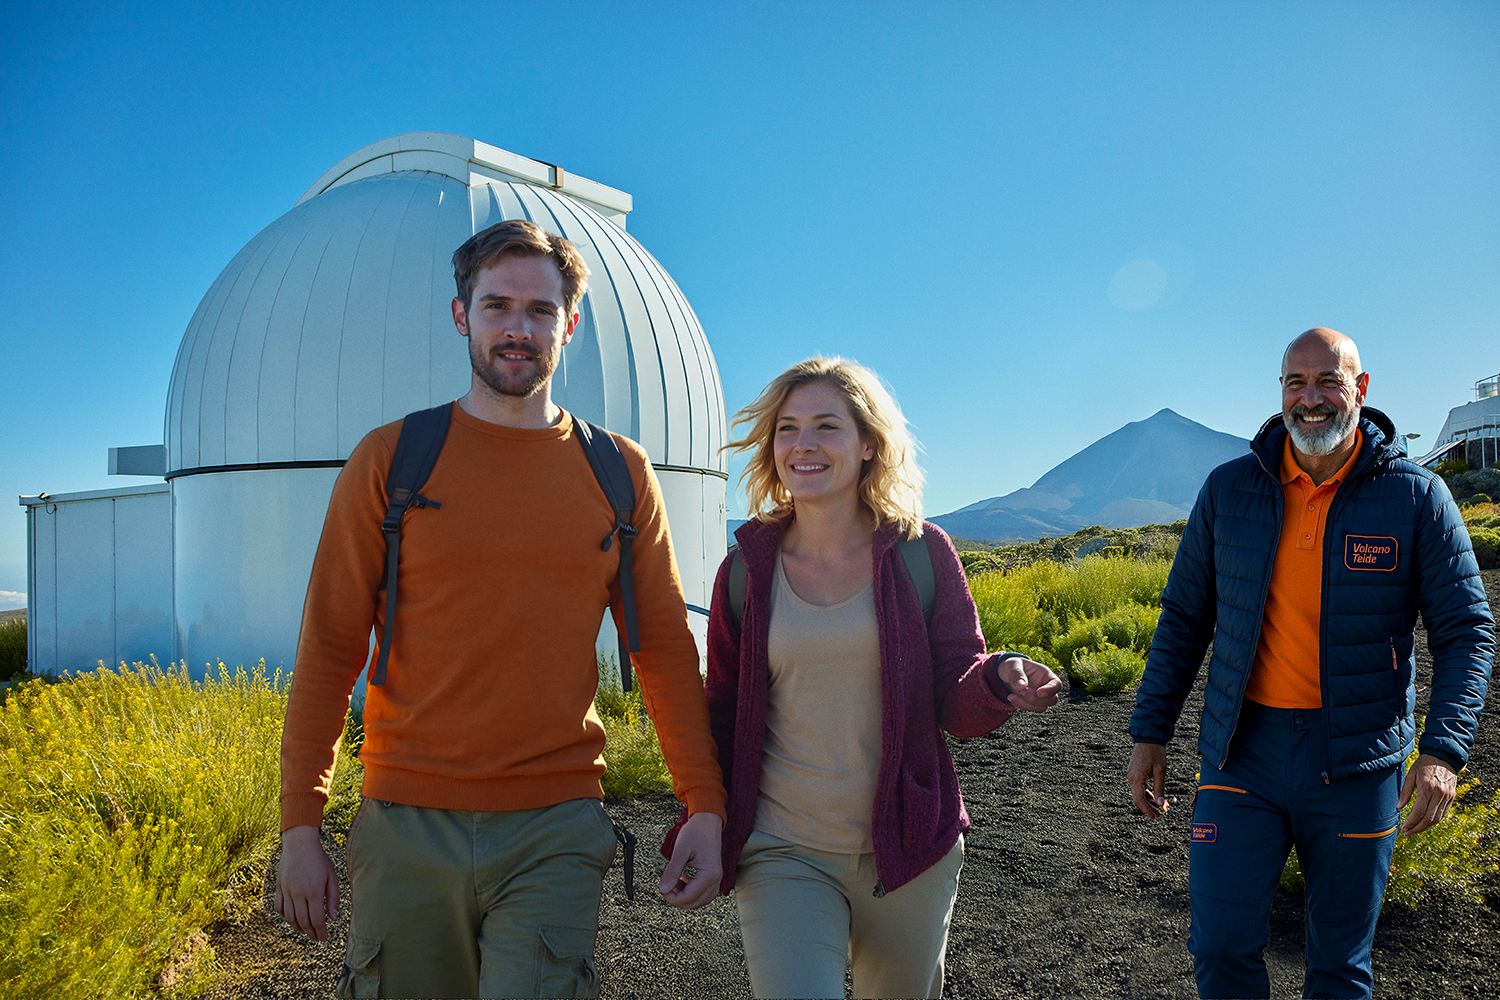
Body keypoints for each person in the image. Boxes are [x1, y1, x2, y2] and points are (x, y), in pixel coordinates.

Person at [275, 219, 727, 999]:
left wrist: (705, 805)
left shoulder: (618, 472)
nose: (518, 329)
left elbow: (661, 654)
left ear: (570, 324)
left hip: (554, 824)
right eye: (497, 306)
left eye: (541, 311)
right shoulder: (390, 459)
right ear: (462, 316)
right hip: (405, 821)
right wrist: (299, 826)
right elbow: (330, 647)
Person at [673, 357, 1062, 999]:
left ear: (869, 444)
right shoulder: (746, 570)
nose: (804, 444)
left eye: (827, 426)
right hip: (782, 848)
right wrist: (702, 816)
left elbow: (954, 690)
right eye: (788, 428)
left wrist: (998, 679)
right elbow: (720, 710)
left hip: (908, 848)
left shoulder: (919, 552)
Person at [1127, 327, 1493, 999]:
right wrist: (1150, 732)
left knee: (1339, 967)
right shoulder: (1230, 490)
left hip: (1357, 760)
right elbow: (1183, 620)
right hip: (1244, 755)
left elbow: (1466, 630)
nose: (1311, 398)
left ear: (1361, 388)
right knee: (1218, 945)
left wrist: (1443, 751)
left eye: (1328, 380)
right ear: (1281, 393)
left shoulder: (1415, 498)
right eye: (1295, 383)